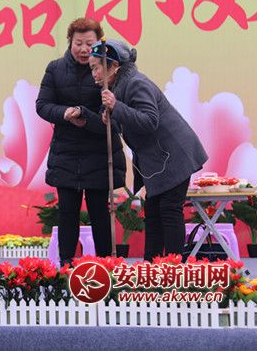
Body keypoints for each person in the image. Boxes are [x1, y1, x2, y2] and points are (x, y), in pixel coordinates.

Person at [89, 39, 208, 261]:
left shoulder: (135, 83)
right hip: (158, 160)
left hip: (174, 155)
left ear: (114, 66)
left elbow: (149, 121)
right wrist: (111, 118)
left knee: (169, 210)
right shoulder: (117, 88)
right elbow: (131, 123)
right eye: (92, 68)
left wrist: (116, 107)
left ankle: (173, 268)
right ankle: (151, 266)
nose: (94, 73)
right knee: (153, 212)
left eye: (96, 67)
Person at [36, 18, 126, 265]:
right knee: (67, 212)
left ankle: (106, 265)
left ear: (99, 44)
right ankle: (66, 265)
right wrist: (64, 113)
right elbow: (42, 105)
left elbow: (112, 117)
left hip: (99, 153)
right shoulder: (55, 69)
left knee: (99, 213)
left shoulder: (108, 70)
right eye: (79, 43)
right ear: (70, 43)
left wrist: (86, 117)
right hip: (66, 153)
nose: (84, 49)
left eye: (90, 44)